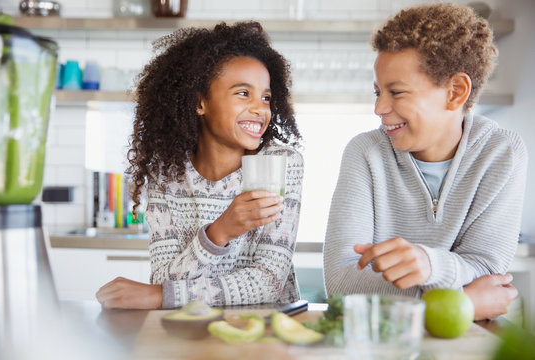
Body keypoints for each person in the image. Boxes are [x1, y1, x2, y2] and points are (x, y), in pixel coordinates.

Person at [324, 3, 526, 320]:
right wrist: (462, 304)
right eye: (377, 91)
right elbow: (341, 284)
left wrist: (429, 264)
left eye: (397, 92)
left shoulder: (502, 153)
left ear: (455, 92)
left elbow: (488, 272)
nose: (379, 108)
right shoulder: (365, 153)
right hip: (385, 343)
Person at [96, 21, 304, 309]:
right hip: (188, 329)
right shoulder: (166, 174)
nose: (260, 108)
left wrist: (161, 296)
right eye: (243, 93)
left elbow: (267, 280)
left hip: (265, 332)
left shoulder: (280, 164)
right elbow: (163, 277)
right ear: (200, 102)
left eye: (266, 97)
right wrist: (219, 233)